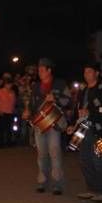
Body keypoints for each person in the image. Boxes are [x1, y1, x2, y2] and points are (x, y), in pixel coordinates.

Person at [24, 58, 70, 195]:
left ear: (49, 70)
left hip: (54, 124)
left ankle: (57, 184)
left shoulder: (60, 84)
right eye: (39, 70)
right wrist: (27, 112)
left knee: (54, 152)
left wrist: (55, 99)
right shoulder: (36, 86)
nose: (39, 72)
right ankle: (42, 181)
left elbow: (69, 101)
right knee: (42, 154)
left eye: (42, 70)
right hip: (39, 124)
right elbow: (31, 104)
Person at [72, 62, 102, 203]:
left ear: (97, 73)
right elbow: (78, 110)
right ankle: (91, 189)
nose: (86, 75)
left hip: (99, 129)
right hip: (83, 128)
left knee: (99, 160)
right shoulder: (83, 91)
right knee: (84, 159)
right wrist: (73, 125)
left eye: (89, 71)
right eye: (85, 72)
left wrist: (91, 112)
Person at [0, 78, 16, 148]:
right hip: (1, 112)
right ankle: (0, 143)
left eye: (10, 84)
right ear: (5, 84)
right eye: (8, 84)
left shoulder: (12, 92)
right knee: (1, 129)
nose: (9, 86)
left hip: (10, 112)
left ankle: (8, 143)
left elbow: (14, 103)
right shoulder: (0, 92)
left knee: (9, 129)